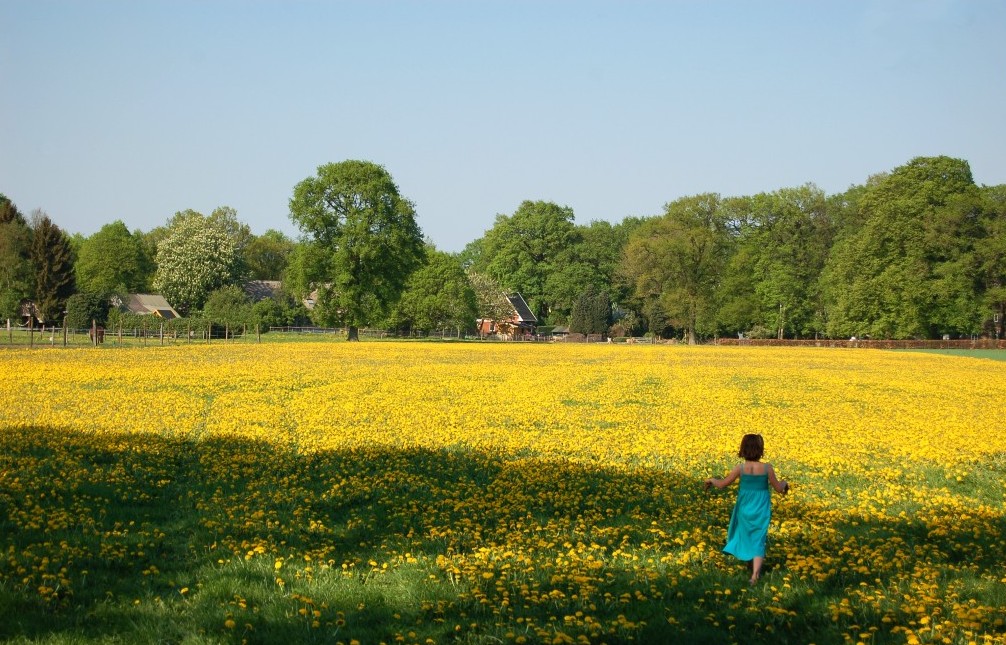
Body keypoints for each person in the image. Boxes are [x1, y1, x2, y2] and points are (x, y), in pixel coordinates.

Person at [704, 433, 789, 585]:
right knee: (758, 538)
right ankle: (755, 575)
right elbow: (778, 488)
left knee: (746, 534)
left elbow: (723, 484)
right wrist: (784, 483)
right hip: (761, 508)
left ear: (743, 449)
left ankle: (751, 565)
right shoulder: (767, 468)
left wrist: (711, 480)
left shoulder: (740, 468)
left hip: (744, 508)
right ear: (760, 450)